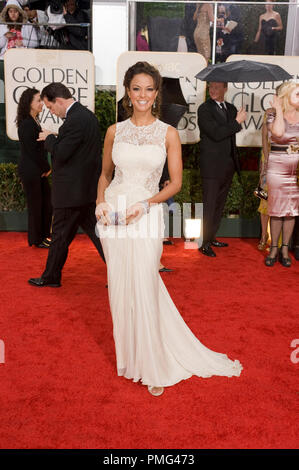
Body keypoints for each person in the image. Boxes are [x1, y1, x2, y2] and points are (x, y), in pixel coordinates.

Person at [95, 61, 242, 397]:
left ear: (157, 93)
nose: (143, 95)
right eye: (136, 88)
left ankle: (153, 363)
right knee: (120, 289)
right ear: (128, 93)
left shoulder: (168, 133)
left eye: (149, 89)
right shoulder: (114, 131)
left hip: (145, 215)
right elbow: (104, 174)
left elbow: (174, 184)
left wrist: (146, 204)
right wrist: (99, 202)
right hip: (113, 217)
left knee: (145, 282)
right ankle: (131, 359)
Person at [28, 82, 105, 287]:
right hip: (85, 192)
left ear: (59, 101)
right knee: (100, 238)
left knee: (60, 237)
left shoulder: (74, 120)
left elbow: (62, 153)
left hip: (71, 194)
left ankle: (50, 277)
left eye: (51, 107)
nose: (52, 112)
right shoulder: (86, 117)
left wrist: (49, 138)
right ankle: (122, 273)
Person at [197, 81, 246, 257]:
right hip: (211, 166)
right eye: (210, 87)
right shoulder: (204, 109)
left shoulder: (231, 108)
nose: (213, 90)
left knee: (219, 205)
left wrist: (238, 120)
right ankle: (203, 243)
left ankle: (211, 238)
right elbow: (216, 133)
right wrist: (236, 122)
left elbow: (233, 130)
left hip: (228, 165)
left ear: (225, 89)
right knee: (210, 206)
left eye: (217, 87)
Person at [264, 81, 299, 268]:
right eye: (297, 94)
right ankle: (274, 249)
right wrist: (278, 109)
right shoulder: (272, 114)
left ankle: (285, 249)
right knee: (276, 210)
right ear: (287, 96)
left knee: (292, 210)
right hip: (277, 168)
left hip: (296, 170)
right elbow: (277, 133)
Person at [16, 88, 52, 248]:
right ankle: (37, 239)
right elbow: (31, 150)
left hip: (36, 170)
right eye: (38, 100)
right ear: (29, 103)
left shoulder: (33, 121)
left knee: (45, 204)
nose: (42, 104)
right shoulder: (26, 124)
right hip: (32, 171)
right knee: (36, 206)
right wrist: (46, 167)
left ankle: (44, 236)